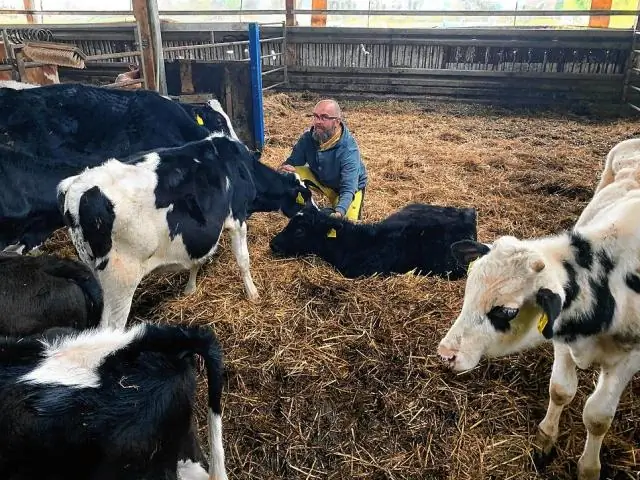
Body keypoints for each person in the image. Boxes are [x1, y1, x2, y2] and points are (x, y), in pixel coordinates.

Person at [278, 99, 367, 221]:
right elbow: (292, 162)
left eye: (324, 117)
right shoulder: (308, 138)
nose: (317, 122)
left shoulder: (348, 149)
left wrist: (339, 212)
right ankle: (301, 209)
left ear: (337, 121)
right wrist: (283, 171)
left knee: (347, 226)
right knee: (291, 172)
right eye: (315, 116)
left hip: (347, 189)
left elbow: (348, 187)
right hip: (321, 180)